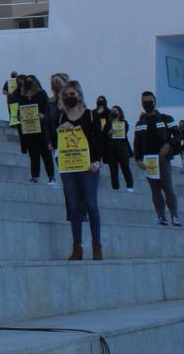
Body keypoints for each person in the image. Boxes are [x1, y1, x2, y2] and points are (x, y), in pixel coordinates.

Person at [56, 81, 104, 260]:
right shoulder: (61, 117)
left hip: (89, 166)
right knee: (74, 207)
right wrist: (60, 130)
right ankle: (77, 247)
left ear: (80, 95)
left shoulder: (91, 115)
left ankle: (97, 245)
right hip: (69, 167)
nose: (70, 97)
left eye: (72, 93)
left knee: (91, 204)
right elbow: (56, 142)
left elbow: (99, 140)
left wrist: (98, 161)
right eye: (66, 94)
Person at [133, 91, 181, 226]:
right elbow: (136, 143)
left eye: (150, 101)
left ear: (155, 101)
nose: (147, 104)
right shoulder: (140, 123)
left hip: (163, 158)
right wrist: (137, 159)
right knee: (155, 189)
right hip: (149, 159)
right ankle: (161, 217)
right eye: (144, 102)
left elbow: (178, 135)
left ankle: (175, 216)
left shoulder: (166, 118)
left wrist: (169, 144)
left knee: (167, 187)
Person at [18, 76, 56, 184]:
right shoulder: (22, 97)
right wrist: (20, 117)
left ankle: (51, 175)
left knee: (46, 153)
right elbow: (19, 111)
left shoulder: (41, 94)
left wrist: (43, 115)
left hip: (41, 129)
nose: (28, 83)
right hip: (29, 130)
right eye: (27, 82)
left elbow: (47, 108)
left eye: (31, 81)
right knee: (33, 154)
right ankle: (34, 176)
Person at [103, 103, 135, 192]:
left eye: (115, 111)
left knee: (125, 168)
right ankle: (115, 187)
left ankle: (130, 186)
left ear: (120, 113)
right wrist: (108, 133)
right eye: (112, 111)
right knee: (113, 169)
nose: (113, 112)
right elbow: (103, 135)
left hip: (122, 148)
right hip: (111, 149)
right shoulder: (107, 124)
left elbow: (124, 132)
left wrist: (116, 126)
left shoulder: (124, 123)